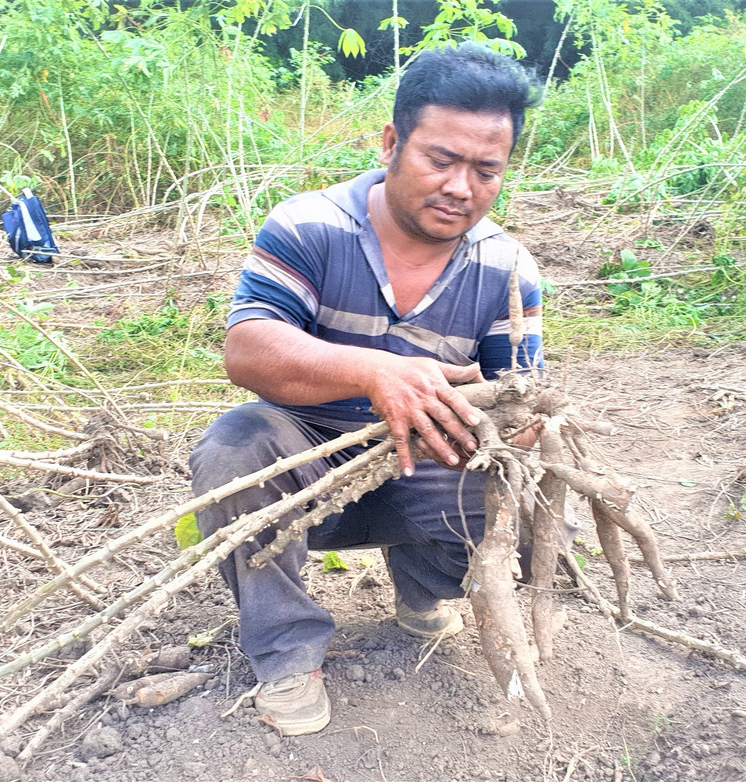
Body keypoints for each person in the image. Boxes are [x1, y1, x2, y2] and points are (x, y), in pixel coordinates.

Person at [190, 44, 543, 736]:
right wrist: (375, 371)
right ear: (391, 144)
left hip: (421, 461)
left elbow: (519, 400)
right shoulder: (309, 226)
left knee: (528, 505)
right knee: (234, 449)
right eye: (440, 160)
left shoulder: (508, 267)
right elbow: (248, 348)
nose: (460, 188)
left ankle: (423, 583)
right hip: (304, 459)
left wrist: (513, 424)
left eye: (486, 171)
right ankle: (286, 651)